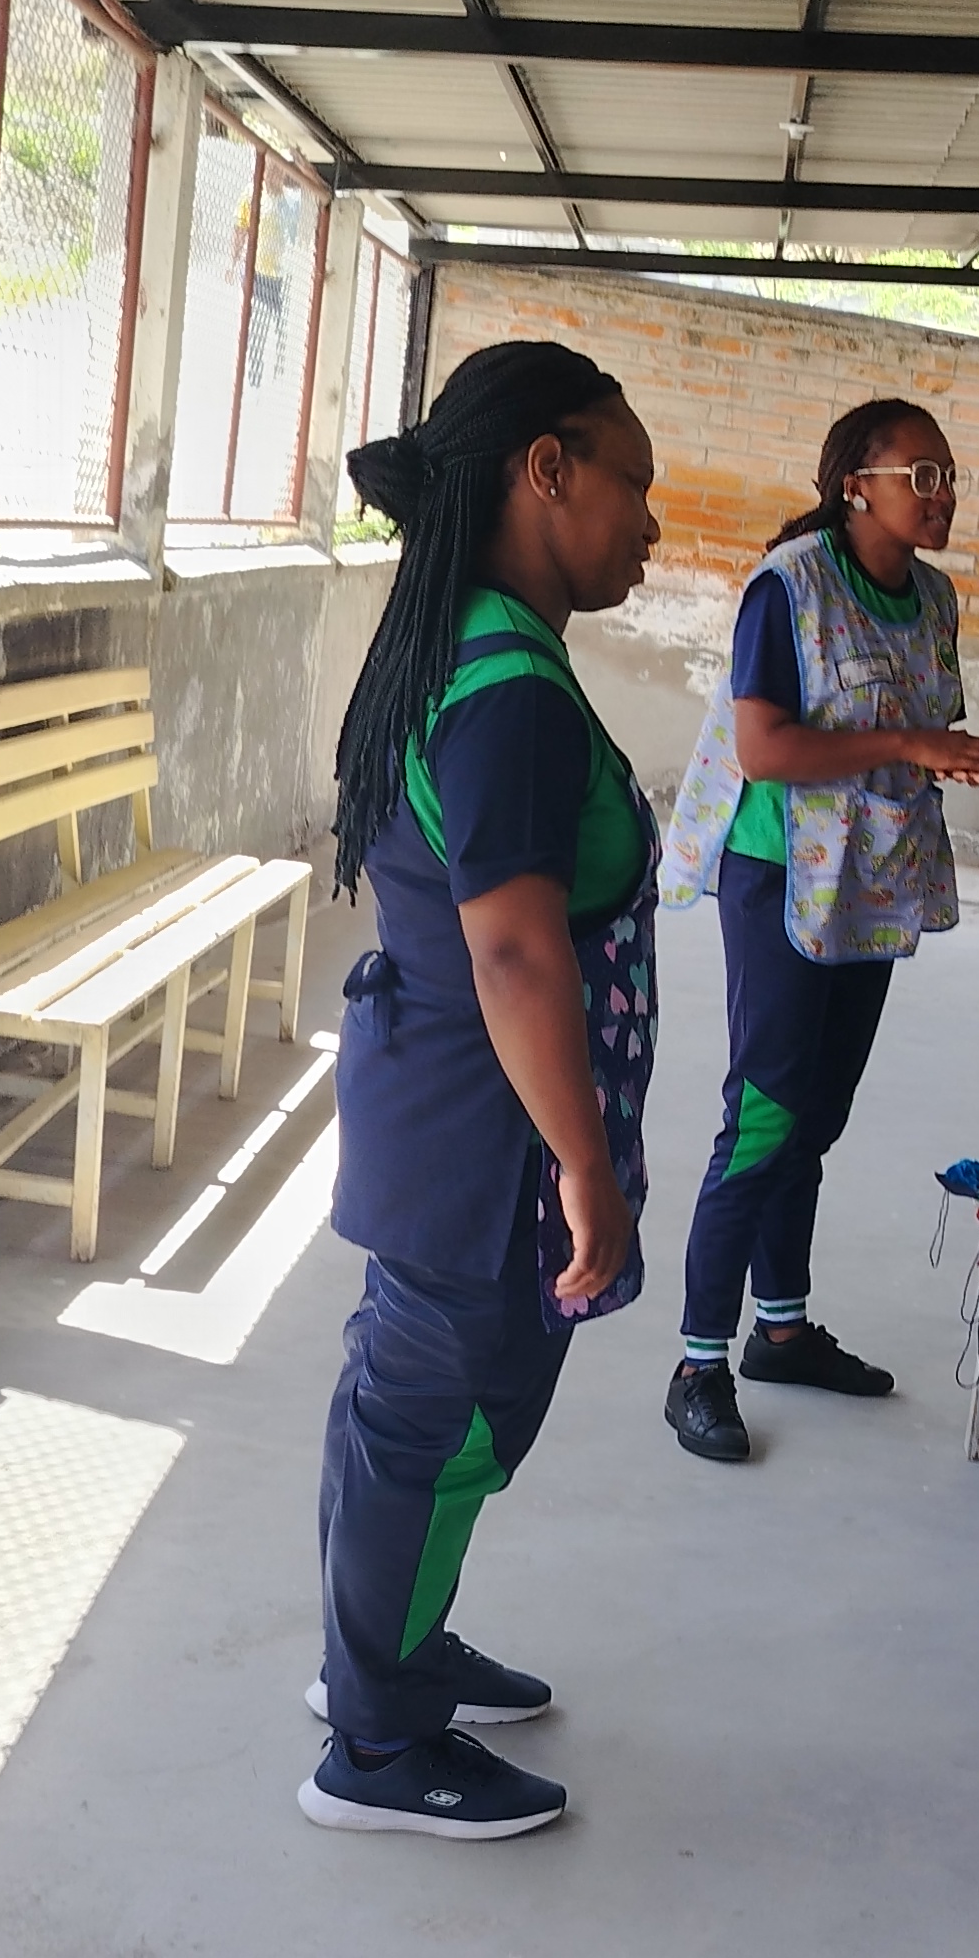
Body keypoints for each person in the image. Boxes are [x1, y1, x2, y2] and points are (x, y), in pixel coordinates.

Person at [304, 340, 665, 1844]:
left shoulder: (461, 635)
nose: (651, 522)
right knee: (441, 1417)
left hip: (440, 1102)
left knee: (409, 1403)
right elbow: (514, 951)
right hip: (486, 1133)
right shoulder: (506, 687)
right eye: (633, 482)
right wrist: (584, 1163)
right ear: (547, 470)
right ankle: (378, 1744)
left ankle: (385, 1653)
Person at [655, 399, 979, 1465]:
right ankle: (696, 1366)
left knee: (815, 1117)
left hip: (870, 874)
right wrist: (911, 741)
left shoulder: (934, 597)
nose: (941, 494)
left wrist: (945, 749)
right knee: (764, 1116)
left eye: (949, 476)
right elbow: (766, 749)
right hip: (780, 871)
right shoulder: (789, 586)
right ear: (857, 483)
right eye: (921, 474)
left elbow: (915, 721)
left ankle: (781, 1331)